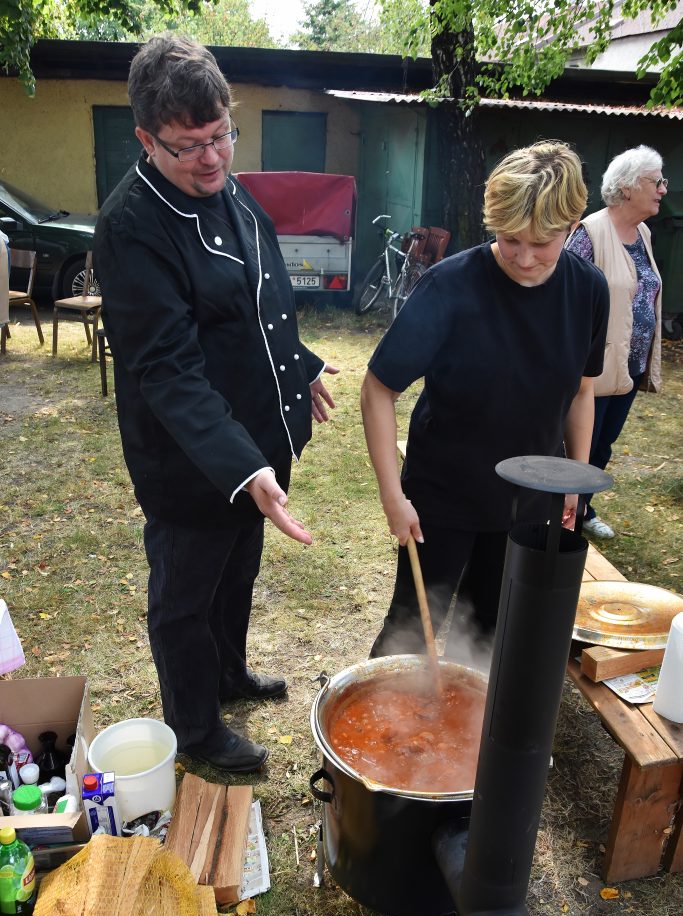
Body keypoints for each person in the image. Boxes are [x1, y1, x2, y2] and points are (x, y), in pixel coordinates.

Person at [94, 35, 337, 774]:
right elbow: (167, 368)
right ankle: (196, 731)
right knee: (184, 599)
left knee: (239, 574)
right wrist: (243, 468)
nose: (212, 158)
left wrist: (304, 362)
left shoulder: (224, 184)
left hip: (257, 438)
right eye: (189, 146)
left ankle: (229, 675)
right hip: (192, 460)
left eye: (221, 136)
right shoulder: (132, 227)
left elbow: (258, 296)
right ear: (146, 137)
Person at [361, 141, 608, 661]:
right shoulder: (450, 286)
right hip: (441, 499)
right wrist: (392, 496)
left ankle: (469, 737)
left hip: (530, 500)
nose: (523, 257)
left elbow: (582, 389)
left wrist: (574, 481)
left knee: (489, 634)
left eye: (542, 243)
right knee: (411, 628)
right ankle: (383, 728)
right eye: (510, 239)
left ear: (573, 225)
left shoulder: (588, 290)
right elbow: (379, 388)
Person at [565, 145, 664, 540]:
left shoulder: (643, 233)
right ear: (627, 187)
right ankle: (562, 506)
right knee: (579, 443)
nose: (663, 189)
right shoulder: (589, 233)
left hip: (629, 363)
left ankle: (584, 508)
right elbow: (567, 294)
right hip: (594, 366)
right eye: (655, 181)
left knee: (603, 444)